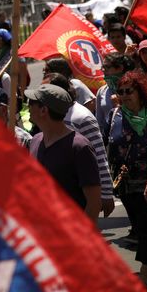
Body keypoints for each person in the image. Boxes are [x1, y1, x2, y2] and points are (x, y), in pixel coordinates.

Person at [106, 71, 147, 285]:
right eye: (120, 91)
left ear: (140, 92)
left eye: (129, 91)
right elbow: (109, 143)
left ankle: (146, 268)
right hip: (126, 181)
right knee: (140, 223)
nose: (124, 95)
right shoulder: (115, 116)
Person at [25, 84, 101, 222]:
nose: (28, 107)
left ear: (43, 110)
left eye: (31, 103)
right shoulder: (35, 141)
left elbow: (94, 202)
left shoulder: (79, 147)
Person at [41, 73, 113, 216]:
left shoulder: (81, 117)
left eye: (45, 90)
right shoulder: (50, 115)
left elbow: (99, 155)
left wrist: (106, 194)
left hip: (80, 191)